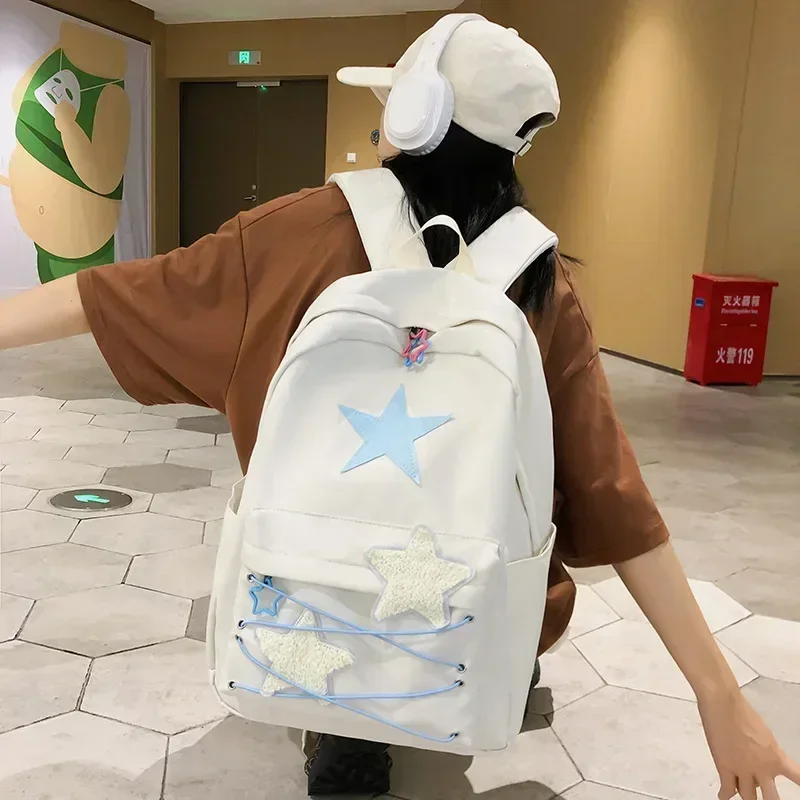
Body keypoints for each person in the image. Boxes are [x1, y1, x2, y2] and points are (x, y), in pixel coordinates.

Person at [0, 14, 798, 800]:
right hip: (474, 611)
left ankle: (342, 732)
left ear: (413, 117)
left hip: (316, 593)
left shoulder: (293, 233)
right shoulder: (538, 278)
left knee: (335, 615)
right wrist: (719, 695)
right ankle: (467, 672)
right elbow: (614, 500)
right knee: (480, 606)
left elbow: (110, 295)